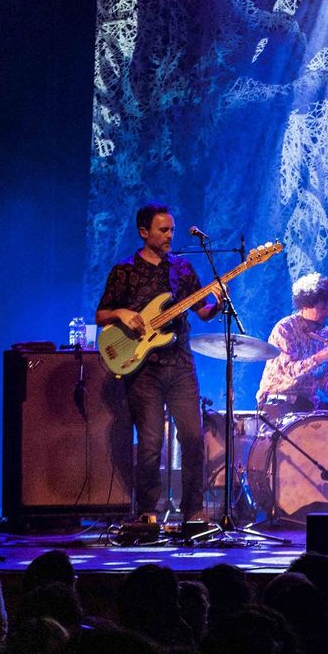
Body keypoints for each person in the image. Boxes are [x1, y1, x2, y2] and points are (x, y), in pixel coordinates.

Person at [96, 202, 224, 522]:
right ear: (144, 232)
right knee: (150, 443)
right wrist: (122, 313)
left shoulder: (182, 269)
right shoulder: (124, 271)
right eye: (163, 230)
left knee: (192, 439)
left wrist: (219, 305)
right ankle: (147, 511)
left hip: (180, 364)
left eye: (172, 230)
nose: (169, 235)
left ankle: (193, 510)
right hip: (144, 368)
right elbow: (101, 315)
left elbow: (203, 313)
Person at [258, 272, 328, 416]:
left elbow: (326, 373)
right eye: (322, 308)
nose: (327, 312)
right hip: (279, 401)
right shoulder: (285, 328)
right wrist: (319, 357)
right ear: (305, 306)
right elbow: (290, 371)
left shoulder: (326, 333)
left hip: (307, 403)